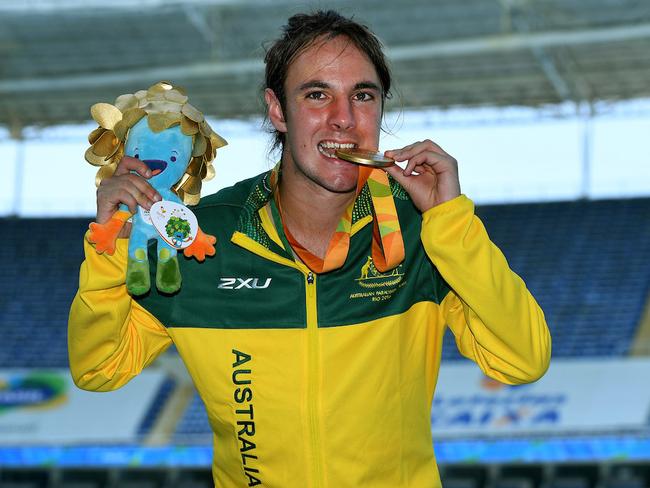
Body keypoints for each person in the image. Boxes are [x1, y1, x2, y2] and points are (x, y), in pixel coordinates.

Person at [68, 10, 551, 488]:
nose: (344, 119)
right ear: (278, 110)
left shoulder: (422, 231)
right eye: (317, 95)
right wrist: (114, 242)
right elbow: (98, 369)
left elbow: (522, 360)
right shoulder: (202, 236)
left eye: (363, 96)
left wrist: (450, 222)